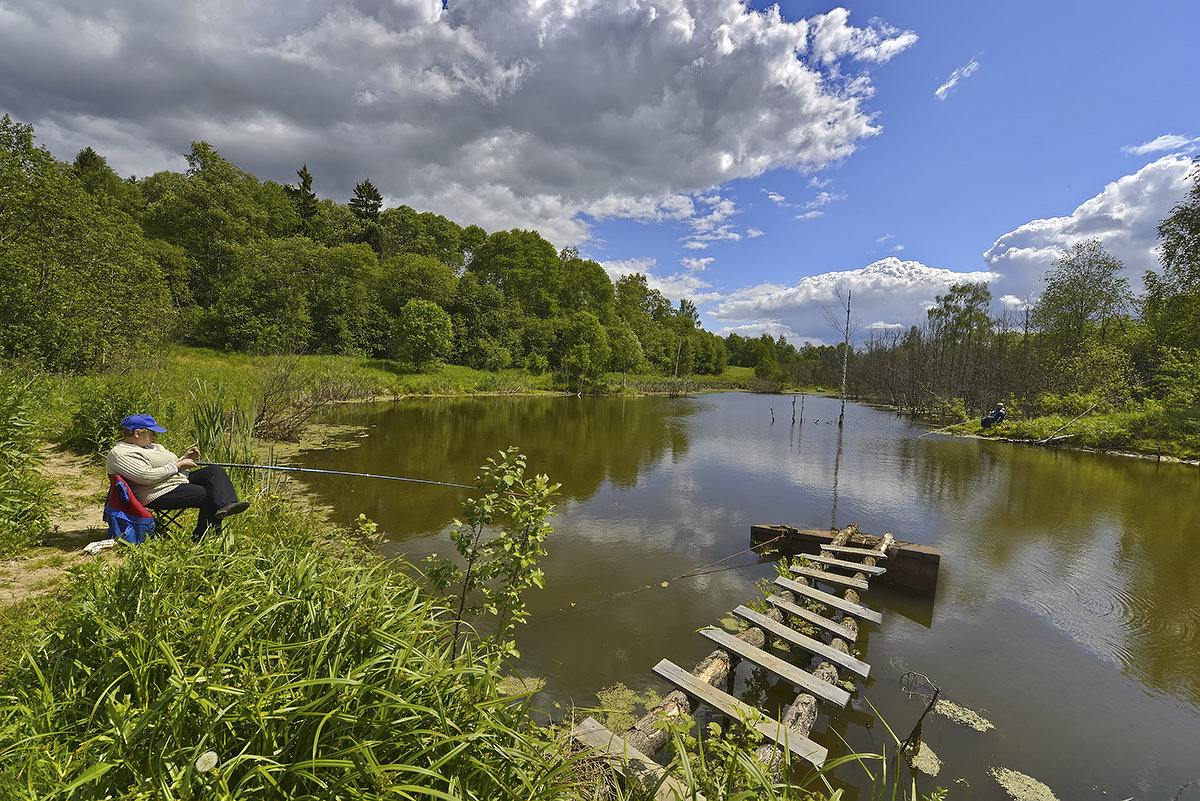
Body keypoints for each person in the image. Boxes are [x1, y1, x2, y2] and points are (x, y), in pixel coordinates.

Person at [106, 414, 249, 540]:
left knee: (214, 471)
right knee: (207, 495)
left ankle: (228, 504)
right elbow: (145, 476)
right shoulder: (120, 454)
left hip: (175, 480)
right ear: (137, 433)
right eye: (152, 432)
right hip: (155, 492)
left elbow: (170, 464)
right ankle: (204, 537)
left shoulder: (152, 446)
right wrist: (178, 466)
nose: (155, 436)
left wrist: (184, 459)